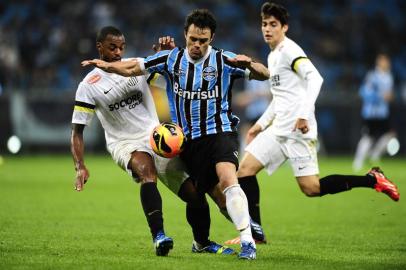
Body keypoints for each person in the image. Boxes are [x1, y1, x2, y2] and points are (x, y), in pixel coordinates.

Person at [82, 9, 270, 260]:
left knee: (228, 179)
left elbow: (264, 74)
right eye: (193, 39)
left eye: (202, 41)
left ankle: (248, 242)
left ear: (211, 39)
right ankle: (202, 241)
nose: (197, 45)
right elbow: (133, 66)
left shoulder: (225, 60)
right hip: (188, 142)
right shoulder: (171, 60)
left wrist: (251, 65)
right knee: (200, 196)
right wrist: (107, 65)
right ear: (185, 35)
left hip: (219, 132)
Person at [225, 2, 400, 244]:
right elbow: (280, 97)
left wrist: (304, 114)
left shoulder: (289, 50)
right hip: (278, 130)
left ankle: (372, 179)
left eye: (273, 24)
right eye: (264, 24)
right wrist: (260, 125)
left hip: (298, 131)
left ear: (284, 27)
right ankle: (255, 233)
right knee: (244, 170)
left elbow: (316, 78)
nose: (267, 29)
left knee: (311, 188)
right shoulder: (273, 55)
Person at [352, 53, 396, 172]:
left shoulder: (389, 77)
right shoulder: (372, 76)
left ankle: (374, 155)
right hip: (370, 113)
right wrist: (381, 97)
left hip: (383, 113)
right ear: (379, 62)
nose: (386, 63)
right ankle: (358, 161)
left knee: (389, 135)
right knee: (368, 137)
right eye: (384, 61)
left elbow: (390, 94)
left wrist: (390, 97)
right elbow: (363, 92)